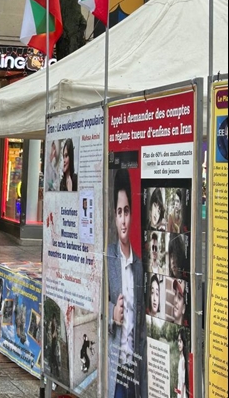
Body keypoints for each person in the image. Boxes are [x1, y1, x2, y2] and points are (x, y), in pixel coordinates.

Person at [107, 168, 146, 398]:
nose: (123, 220)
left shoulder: (138, 265)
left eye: (127, 211)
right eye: (119, 212)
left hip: (134, 370)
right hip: (115, 367)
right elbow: (92, 302)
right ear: (114, 215)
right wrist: (112, 314)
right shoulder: (109, 256)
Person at [176, 330, 188, 398]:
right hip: (179, 391)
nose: (178, 343)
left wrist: (181, 396)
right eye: (178, 341)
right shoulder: (180, 358)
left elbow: (183, 383)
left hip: (182, 394)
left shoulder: (183, 360)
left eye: (180, 341)